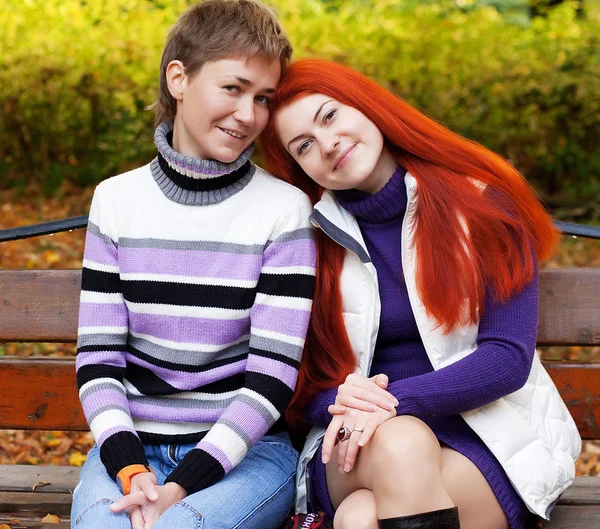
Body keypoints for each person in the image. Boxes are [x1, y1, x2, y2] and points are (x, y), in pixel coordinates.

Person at [259, 58, 581, 529]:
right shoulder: (306, 238)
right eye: (303, 145)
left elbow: (506, 359)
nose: (327, 144)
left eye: (329, 116)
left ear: (366, 106)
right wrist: (348, 403)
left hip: (481, 436)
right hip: (355, 441)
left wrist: (392, 401)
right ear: (299, 167)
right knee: (400, 443)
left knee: (359, 519)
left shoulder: (482, 206)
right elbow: (299, 383)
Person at [72, 2, 316, 528]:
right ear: (178, 78)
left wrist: (180, 488)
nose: (249, 115)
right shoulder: (116, 201)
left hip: (245, 457)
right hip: (131, 453)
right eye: (233, 88)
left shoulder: (282, 210)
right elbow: (99, 359)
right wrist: (130, 467)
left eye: (263, 98)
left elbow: (272, 377)